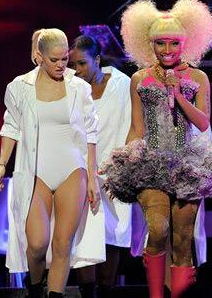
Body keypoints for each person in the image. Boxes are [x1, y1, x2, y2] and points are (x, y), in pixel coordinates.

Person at [100, 0, 212, 298]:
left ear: (185, 44)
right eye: (160, 44)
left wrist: (179, 95)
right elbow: (137, 127)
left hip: (189, 162)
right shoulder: (140, 78)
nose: (167, 50)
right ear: (149, 45)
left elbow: (203, 123)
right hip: (152, 162)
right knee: (159, 229)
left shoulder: (198, 77)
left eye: (173, 44)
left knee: (182, 239)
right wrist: (122, 160)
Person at [0, 28, 101, 298]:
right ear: (38, 56)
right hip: (35, 171)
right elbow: (11, 127)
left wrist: (92, 176)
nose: (62, 65)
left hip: (72, 169)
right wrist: (2, 165)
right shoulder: (20, 87)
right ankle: (34, 285)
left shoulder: (79, 87)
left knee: (63, 244)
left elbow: (90, 133)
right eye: (55, 60)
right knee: (38, 244)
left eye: (65, 59)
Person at [68, 35, 133, 297]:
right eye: (73, 65)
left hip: (115, 171)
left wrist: (123, 161)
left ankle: (106, 291)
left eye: (82, 64)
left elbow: (132, 124)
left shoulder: (122, 85)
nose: (77, 70)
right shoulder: (70, 88)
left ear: (97, 60)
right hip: (82, 173)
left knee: (112, 237)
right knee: (84, 238)